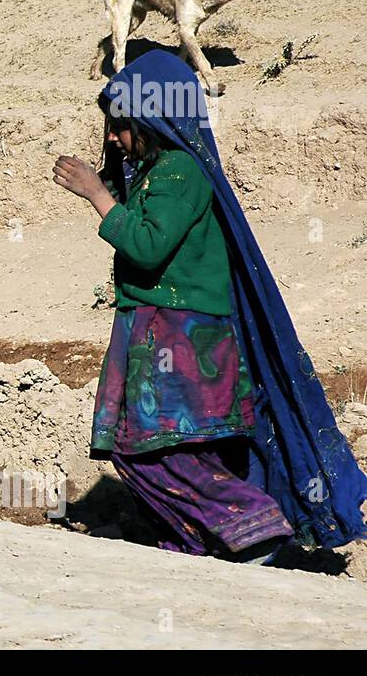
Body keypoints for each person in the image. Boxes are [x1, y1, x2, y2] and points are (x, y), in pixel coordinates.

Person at [53, 49, 367, 563]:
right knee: (150, 448)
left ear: (153, 119)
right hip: (153, 324)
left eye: (122, 126)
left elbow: (149, 245)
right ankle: (211, 542)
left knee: (152, 448)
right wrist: (106, 183)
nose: (113, 137)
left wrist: (95, 193)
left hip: (177, 331)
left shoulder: (181, 171)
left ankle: (256, 533)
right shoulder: (157, 171)